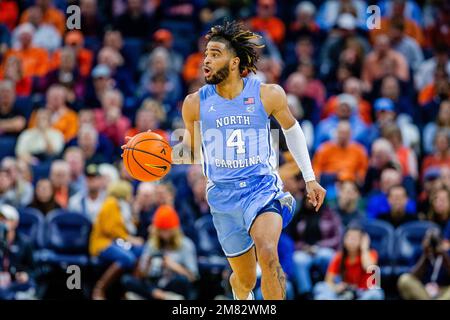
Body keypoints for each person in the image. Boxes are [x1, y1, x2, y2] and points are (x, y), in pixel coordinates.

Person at [122, 21, 326, 300]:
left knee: (267, 253)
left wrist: (310, 177)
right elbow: (192, 151)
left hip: (261, 189)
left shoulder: (268, 94)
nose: (206, 59)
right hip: (222, 197)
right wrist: (160, 154)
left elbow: (291, 130)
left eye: (215, 53)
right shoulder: (194, 103)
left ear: (235, 62)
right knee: (242, 280)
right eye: (206, 53)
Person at [121, 205, 198, 300]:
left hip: (172, 284)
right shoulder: (152, 244)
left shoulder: (186, 244)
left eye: (167, 231)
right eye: (161, 231)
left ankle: (155, 295)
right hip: (154, 284)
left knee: (181, 281)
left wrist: (173, 266)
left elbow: (193, 277)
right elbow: (141, 275)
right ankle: (159, 295)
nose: (164, 234)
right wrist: (147, 264)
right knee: (127, 280)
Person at [89, 180, 144, 300]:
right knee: (127, 258)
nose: (132, 195)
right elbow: (110, 229)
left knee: (140, 250)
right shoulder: (111, 203)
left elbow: (129, 227)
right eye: (130, 193)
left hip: (117, 243)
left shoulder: (123, 206)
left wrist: (135, 211)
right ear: (123, 192)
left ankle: (132, 290)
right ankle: (99, 288)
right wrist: (130, 239)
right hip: (103, 243)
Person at [313, 224, 385, 300]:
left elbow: (369, 268)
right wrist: (336, 287)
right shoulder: (339, 256)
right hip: (346, 293)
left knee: (375, 293)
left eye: (355, 238)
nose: (351, 241)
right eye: (349, 237)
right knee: (320, 287)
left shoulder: (371, 254)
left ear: (363, 240)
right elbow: (328, 281)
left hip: (364, 293)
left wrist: (364, 248)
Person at [288, 198, 342, 297]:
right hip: (305, 251)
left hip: (323, 248)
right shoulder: (299, 215)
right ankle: (306, 293)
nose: (310, 201)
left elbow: (337, 238)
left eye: (313, 198)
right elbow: (292, 240)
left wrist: (318, 246)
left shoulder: (330, 215)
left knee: (328, 256)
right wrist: (304, 247)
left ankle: (333, 287)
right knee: (298, 259)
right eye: (307, 198)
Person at [398, 228, 450, 300]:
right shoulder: (418, 252)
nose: (432, 244)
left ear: (442, 241)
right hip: (423, 290)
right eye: (429, 239)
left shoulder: (447, 253)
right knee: (404, 279)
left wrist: (443, 254)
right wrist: (425, 256)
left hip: (443, 290)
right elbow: (412, 275)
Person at [0, 204, 37, 300]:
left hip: (15, 281)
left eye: (5, 219)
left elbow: (33, 269)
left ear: (15, 222)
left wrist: (26, 275)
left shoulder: (24, 242)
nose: (1, 223)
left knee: (30, 284)